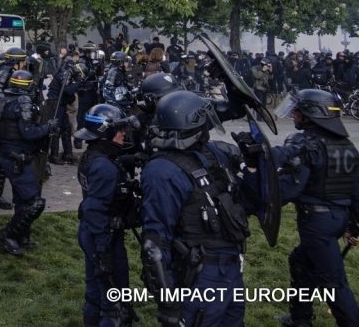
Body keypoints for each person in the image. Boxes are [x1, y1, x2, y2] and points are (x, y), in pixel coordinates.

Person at [140, 91, 255, 326]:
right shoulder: (162, 170)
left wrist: (255, 159)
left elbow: (244, 199)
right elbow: (155, 244)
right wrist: (168, 303)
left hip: (231, 267)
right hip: (201, 275)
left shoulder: (212, 154)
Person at [263, 89, 359, 326]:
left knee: (334, 284)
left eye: (298, 111)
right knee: (300, 261)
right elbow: (356, 191)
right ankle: (300, 318)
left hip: (316, 224)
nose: (294, 115)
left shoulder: (307, 145)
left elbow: (289, 189)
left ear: (312, 113)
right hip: (338, 220)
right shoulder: (347, 145)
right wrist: (353, 226)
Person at [76, 104, 140, 327]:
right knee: (113, 298)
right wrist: (104, 255)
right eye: (119, 129)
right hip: (103, 235)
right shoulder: (105, 167)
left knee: (95, 289)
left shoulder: (92, 156)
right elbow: (96, 211)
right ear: (106, 132)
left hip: (92, 232)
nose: (124, 133)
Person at [0, 70, 56, 256]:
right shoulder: (22, 102)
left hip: (9, 155)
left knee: (23, 200)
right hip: (18, 158)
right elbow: (29, 132)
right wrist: (49, 127)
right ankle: (8, 235)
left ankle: (22, 236)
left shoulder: (4, 99)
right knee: (35, 202)